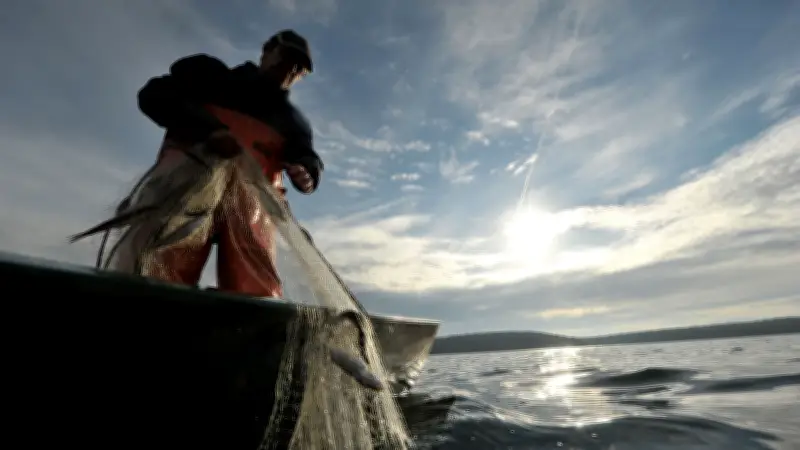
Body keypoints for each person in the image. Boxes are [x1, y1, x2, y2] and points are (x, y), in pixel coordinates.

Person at [104, 30, 324, 298]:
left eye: (298, 68)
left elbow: (308, 157)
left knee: (255, 284)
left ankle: (249, 326)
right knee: (160, 265)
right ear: (266, 51)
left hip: (252, 208)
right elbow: (153, 95)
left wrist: (307, 172)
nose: (290, 68)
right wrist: (209, 131)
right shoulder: (211, 78)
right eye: (286, 57)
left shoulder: (294, 123)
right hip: (187, 190)